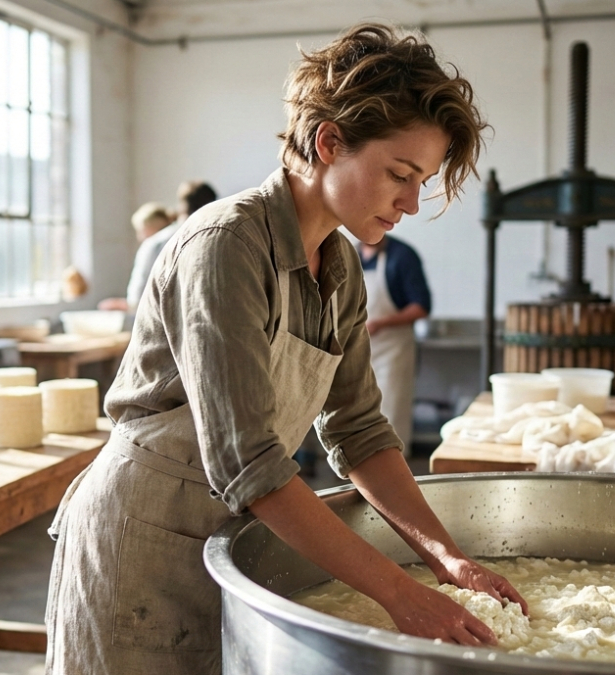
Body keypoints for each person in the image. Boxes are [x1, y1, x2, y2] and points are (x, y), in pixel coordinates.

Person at [45, 23, 527, 675]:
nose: (412, 203)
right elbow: (251, 462)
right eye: (400, 174)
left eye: (423, 181)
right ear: (329, 142)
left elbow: (357, 430)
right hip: (142, 539)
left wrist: (447, 557)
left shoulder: (340, 267)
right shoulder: (225, 247)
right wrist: (400, 593)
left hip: (227, 540)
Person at [358, 234, 431, 455]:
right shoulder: (350, 254)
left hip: (393, 350)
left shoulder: (402, 256)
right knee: (357, 416)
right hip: (357, 350)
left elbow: (421, 306)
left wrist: (381, 323)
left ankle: (394, 478)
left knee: (390, 415)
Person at [99, 183, 217, 312]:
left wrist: (127, 305)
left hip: (166, 321)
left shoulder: (157, 243)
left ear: (181, 206)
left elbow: (138, 298)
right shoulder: (219, 239)